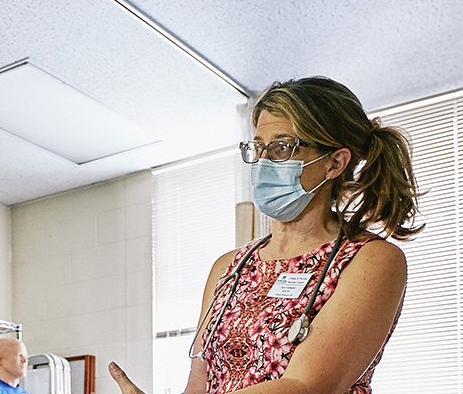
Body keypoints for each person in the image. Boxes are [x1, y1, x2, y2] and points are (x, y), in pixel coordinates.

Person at [110, 76, 419, 394]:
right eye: (258, 147)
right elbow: (198, 385)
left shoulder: (371, 259)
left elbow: (307, 386)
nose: (263, 161)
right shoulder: (229, 268)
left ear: (335, 163)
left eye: (283, 147)